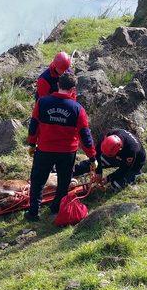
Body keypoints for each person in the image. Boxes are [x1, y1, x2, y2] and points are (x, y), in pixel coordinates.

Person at [26, 73, 96, 221]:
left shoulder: (42, 102)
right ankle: (56, 209)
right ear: (73, 89)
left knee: (38, 181)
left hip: (44, 149)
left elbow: (34, 125)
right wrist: (92, 157)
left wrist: (32, 143)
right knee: (64, 182)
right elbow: (85, 135)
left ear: (58, 84)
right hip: (67, 152)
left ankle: (33, 213)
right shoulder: (77, 108)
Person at [73, 128, 146, 191]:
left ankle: (136, 174)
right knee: (92, 163)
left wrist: (108, 178)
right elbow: (97, 153)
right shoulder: (109, 135)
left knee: (114, 186)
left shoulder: (131, 150)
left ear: (119, 150)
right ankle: (70, 172)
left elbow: (124, 169)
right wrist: (98, 171)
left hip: (135, 162)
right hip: (116, 154)